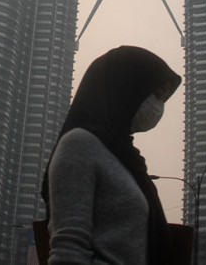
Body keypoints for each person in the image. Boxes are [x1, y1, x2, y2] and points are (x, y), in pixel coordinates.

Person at [41, 46, 181, 265]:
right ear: (127, 88)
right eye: (156, 94)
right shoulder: (79, 144)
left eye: (163, 99)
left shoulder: (129, 159)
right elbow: (68, 252)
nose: (158, 107)